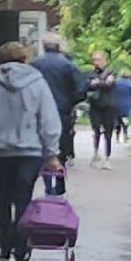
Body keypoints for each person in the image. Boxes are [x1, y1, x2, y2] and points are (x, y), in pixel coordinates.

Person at [0, 41, 62, 261]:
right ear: (24, 58)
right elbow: (48, 120)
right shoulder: (37, 81)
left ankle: (4, 248)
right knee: (23, 197)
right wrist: (51, 153)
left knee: (2, 196)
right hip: (30, 152)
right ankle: (21, 248)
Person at [29, 32, 83, 193]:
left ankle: (47, 185)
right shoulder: (68, 65)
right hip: (62, 111)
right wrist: (70, 102)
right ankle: (59, 183)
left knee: (43, 146)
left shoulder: (34, 65)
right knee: (61, 147)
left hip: (38, 112)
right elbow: (81, 89)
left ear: (44, 46)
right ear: (58, 47)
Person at [84, 50, 119, 162]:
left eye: (98, 59)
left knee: (108, 131)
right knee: (96, 129)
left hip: (109, 105)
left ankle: (107, 157)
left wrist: (97, 83)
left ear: (104, 60)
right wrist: (99, 82)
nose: (96, 62)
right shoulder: (90, 73)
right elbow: (87, 85)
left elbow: (109, 84)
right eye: (94, 59)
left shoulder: (111, 72)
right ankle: (96, 152)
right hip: (95, 105)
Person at [113, 72, 131, 143]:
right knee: (125, 121)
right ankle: (125, 136)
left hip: (116, 104)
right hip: (126, 104)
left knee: (117, 121)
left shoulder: (116, 82)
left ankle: (117, 137)